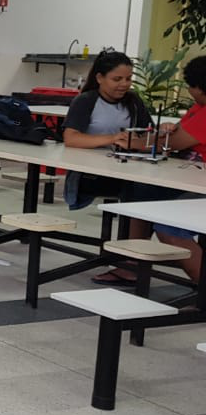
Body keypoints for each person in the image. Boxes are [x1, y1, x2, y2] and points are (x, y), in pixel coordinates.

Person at [60, 51, 164, 285]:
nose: (124, 84)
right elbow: (71, 138)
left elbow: (146, 135)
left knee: (151, 190)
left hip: (127, 168)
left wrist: (158, 136)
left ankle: (133, 257)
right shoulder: (86, 101)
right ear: (100, 78)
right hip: (91, 174)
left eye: (128, 79)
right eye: (117, 79)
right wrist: (113, 139)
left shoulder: (133, 101)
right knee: (140, 192)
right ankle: (129, 262)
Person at [137, 55, 206, 284]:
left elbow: (172, 143)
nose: (189, 91)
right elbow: (174, 134)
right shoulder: (199, 108)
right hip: (189, 177)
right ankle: (129, 265)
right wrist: (167, 131)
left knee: (169, 226)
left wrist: (132, 142)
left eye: (191, 86)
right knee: (141, 196)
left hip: (198, 183)